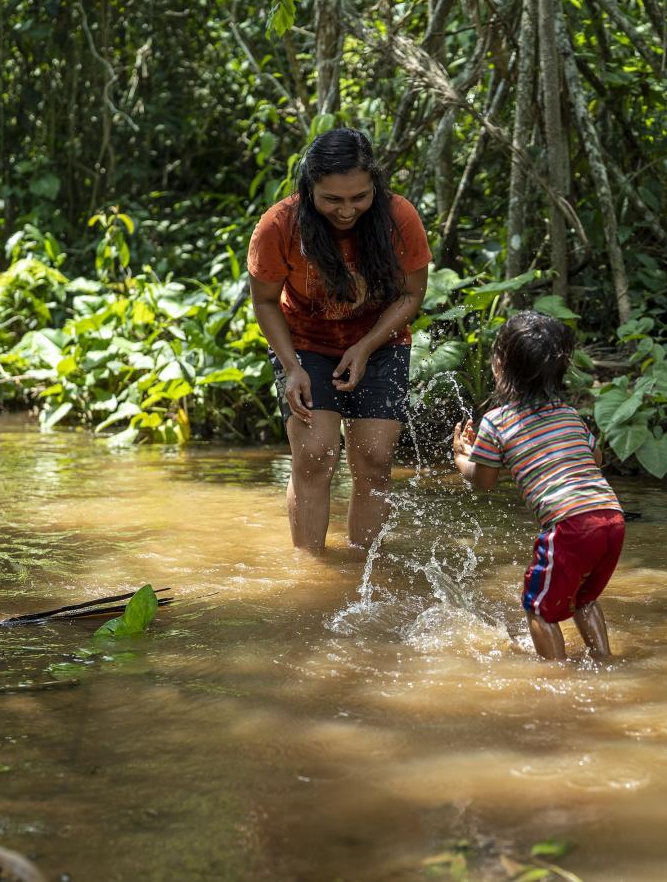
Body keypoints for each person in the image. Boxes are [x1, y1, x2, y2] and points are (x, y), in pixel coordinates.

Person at [247, 128, 431, 551]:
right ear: (309, 188)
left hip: (380, 343)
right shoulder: (280, 224)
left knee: (375, 459)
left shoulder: (399, 218)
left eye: (359, 197)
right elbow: (265, 303)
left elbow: (412, 293)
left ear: (374, 187)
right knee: (314, 455)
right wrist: (292, 367)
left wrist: (365, 346)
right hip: (304, 345)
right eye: (332, 199)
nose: (347, 210)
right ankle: (309, 573)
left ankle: (363, 569)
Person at [452, 311, 625, 660]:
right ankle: (606, 662)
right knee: (583, 598)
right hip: (611, 518)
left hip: (569, 525)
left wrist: (463, 457)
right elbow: (598, 458)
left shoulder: (498, 422)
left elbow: (483, 481)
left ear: (500, 367)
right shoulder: (569, 414)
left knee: (538, 608)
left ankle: (556, 680)